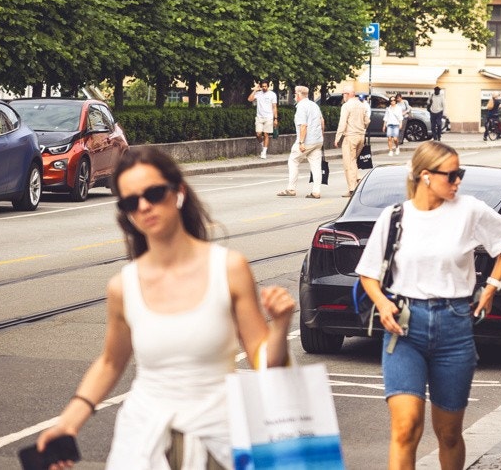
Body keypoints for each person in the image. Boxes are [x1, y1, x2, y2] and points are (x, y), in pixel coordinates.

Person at [35, 146, 297, 470]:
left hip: (219, 442)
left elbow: (262, 358)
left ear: (178, 192)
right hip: (143, 444)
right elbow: (110, 362)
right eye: (131, 202)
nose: (144, 206)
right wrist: (69, 422)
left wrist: (281, 324)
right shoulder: (123, 285)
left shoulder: (229, 268)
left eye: (155, 193)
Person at [357, 143, 501, 470]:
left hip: (455, 328)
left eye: (460, 174)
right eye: (452, 175)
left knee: (448, 433)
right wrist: (381, 304)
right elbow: (368, 274)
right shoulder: (395, 217)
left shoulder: (469, 210)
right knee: (406, 428)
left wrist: (492, 286)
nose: (458, 181)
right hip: (405, 329)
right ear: (426, 176)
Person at [279, 85, 324, 198]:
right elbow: (322, 121)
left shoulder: (301, 106)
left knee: (293, 160)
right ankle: (316, 191)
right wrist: (320, 136)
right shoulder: (314, 105)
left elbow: (303, 125)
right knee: (316, 166)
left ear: (298, 95)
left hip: (306, 141)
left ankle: (291, 188)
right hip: (317, 140)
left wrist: (301, 142)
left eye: (295, 94)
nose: (294, 96)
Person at [335, 90, 370, 197]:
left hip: (350, 136)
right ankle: (357, 178)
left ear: (347, 94)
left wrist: (337, 137)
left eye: (343, 94)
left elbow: (342, 122)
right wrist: (363, 129)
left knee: (348, 163)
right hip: (360, 137)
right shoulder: (362, 104)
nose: (343, 96)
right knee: (353, 160)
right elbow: (367, 121)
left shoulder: (346, 106)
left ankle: (352, 189)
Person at [248, 80, 277, 159]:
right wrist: (255, 90)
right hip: (259, 117)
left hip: (269, 117)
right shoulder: (258, 94)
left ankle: (264, 152)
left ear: (268, 86)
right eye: (263, 86)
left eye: (265, 86)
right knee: (258, 134)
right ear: (261, 86)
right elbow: (250, 99)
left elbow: (274, 107)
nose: (264, 88)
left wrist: (275, 118)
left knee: (266, 134)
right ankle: (262, 144)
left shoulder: (272, 95)